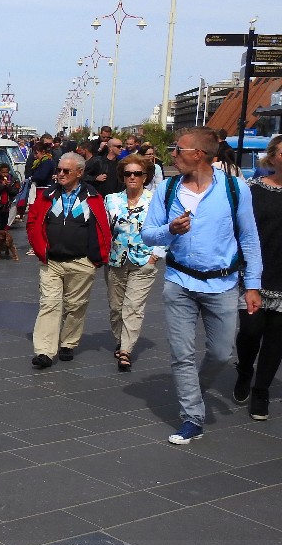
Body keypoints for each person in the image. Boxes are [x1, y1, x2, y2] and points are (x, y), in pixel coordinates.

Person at [141, 127, 263, 445]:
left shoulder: (236, 189)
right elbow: (148, 234)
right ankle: (192, 417)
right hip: (179, 281)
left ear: (199, 154)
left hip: (222, 284)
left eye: (177, 149)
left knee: (222, 353)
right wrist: (170, 229)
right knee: (182, 355)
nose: (172, 154)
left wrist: (252, 285)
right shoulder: (168, 189)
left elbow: (249, 238)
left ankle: (192, 389)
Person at [27, 151, 111, 369]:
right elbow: (33, 220)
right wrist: (38, 247)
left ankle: (68, 342)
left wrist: (96, 258)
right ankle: (44, 351)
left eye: (66, 170)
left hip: (82, 261)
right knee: (49, 304)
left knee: (75, 306)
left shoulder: (93, 197)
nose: (61, 174)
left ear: (79, 173)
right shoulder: (48, 195)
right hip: (51, 261)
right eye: (59, 170)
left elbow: (103, 227)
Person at [234, 135, 282, 420]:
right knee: (251, 331)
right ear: (273, 157)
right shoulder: (252, 190)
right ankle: (244, 369)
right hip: (256, 274)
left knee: (277, 338)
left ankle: (261, 391)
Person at [104, 155, 166, 372]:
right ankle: (120, 340)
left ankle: (126, 350)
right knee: (116, 308)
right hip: (115, 259)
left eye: (137, 173)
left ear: (145, 177)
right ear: (122, 176)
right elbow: (104, 229)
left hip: (144, 260)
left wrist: (155, 256)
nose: (132, 177)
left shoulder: (155, 200)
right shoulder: (111, 200)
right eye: (128, 173)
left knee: (134, 307)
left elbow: (165, 229)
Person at [0, 162, 20, 230]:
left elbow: (15, 192)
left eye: (6, 172)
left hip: (7, 206)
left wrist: (8, 186)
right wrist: (2, 186)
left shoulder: (14, 179)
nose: (4, 174)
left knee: (4, 224)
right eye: (3, 172)